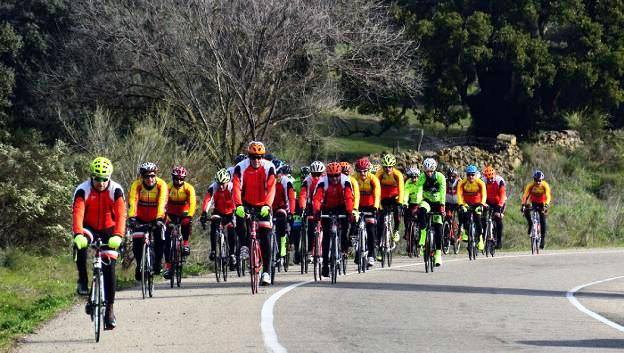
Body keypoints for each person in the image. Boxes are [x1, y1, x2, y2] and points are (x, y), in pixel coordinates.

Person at [72, 157, 126, 330]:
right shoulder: (83, 190)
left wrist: (118, 235)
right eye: (97, 178)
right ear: (91, 176)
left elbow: (121, 215)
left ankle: (109, 310)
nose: (101, 183)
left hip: (110, 229)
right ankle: (83, 279)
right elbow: (78, 213)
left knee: (109, 267)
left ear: (109, 177)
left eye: (105, 179)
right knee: (79, 245)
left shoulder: (116, 190)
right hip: (89, 228)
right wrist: (78, 234)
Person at [232, 141, 276, 285]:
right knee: (239, 217)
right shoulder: (240, 167)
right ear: (248, 156)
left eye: (259, 157)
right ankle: (244, 245)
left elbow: (271, 188)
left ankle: (267, 272)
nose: (256, 160)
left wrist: (268, 206)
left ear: (262, 157)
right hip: (246, 203)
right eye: (253, 157)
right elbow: (236, 187)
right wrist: (238, 205)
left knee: (266, 236)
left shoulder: (269, 167)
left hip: (263, 205)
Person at [312, 162, 356, 278]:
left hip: (342, 207)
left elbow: (348, 197)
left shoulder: (345, 181)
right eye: (331, 176)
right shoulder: (323, 181)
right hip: (327, 208)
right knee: (326, 236)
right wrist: (316, 211)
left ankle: (344, 250)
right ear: (328, 175)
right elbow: (317, 198)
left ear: (340, 174)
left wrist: (350, 212)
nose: (334, 178)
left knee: (345, 227)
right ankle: (325, 265)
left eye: (337, 175)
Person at [127, 162, 168, 281]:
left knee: (160, 239)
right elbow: (133, 201)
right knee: (136, 241)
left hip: (157, 217)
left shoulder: (162, 185)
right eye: (146, 177)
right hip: (139, 217)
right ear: (142, 177)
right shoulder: (137, 185)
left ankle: (157, 263)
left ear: (155, 175)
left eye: (152, 176)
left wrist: (160, 218)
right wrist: (132, 217)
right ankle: (140, 265)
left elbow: (162, 202)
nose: (150, 179)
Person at [163, 166, 196, 279]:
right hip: (171, 214)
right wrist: (165, 218)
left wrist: (190, 216)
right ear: (173, 178)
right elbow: (163, 203)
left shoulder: (189, 188)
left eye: (181, 179)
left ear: (184, 179)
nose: (178, 181)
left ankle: (185, 244)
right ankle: (168, 266)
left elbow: (192, 204)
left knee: (186, 223)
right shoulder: (167, 188)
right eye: (176, 179)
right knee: (167, 239)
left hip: (184, 213)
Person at [200, 168, 237, 270]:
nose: (221, 186)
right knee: (214, 224)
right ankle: (213, 250)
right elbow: (207, 200)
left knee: (231, 228)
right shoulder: (213, 187)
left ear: (227, 182)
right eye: (219, 183)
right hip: (218, 211)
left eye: (223, 184)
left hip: (230, 211)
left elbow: (236, 199)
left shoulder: (231, 187)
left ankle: (232, 254)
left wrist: (235, 212)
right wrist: (204, 213)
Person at [413, 158, 446, 266]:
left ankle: (438, 254)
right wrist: (417, 204)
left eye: (431, 171)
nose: (429, 173)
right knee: (421, 211)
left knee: (439, 227)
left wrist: (442, 206)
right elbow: (418, 190)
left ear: (434, 169)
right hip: (427, 201)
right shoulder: (422, 177)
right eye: (427, 171)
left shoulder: (440, 177)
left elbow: (443, 191)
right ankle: (423, 234)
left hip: (437, 203)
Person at [375, 154, 405, 254]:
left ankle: (396, 230)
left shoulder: (398, 174)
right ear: (383, 167)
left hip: (394, 197)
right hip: (383, 198)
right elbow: (375, 189)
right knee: (380, 221)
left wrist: (400, 202)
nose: (388, 169)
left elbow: (401, 190)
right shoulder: (379, 174)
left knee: (398, 211)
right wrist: (377, 205)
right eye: (385, 167)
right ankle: (379, 246)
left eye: (390, 166)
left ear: (393, 166)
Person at [354, 158, 381, 267]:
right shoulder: (354, 178)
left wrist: (375, 207)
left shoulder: (373, 179)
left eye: (365, 171)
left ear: (368, 170)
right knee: (354, 227)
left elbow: (377, 194)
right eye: (360, 171)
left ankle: (371, 255)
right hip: (358, 206)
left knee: (370, 229)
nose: (362, 173)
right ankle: (356, 252)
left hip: (371, 207)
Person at [298, 161, 325, 263]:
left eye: (319, 174)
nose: (316, 176)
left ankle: (323, 251)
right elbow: (303, 195)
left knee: (325, 227)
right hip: (310, 206)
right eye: (314, 174)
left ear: (323, 173)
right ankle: (309, 251)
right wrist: (302, 207)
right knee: (310, 228)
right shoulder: (307, 180)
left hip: (323, 205)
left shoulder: (326, 179)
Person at [457, 165, 487, 250]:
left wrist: (482, 204)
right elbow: (459, 194)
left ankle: (480, 239)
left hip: (478, 203)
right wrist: (461, 204)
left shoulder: (480, 183)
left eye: (472, 175)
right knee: (464, 215)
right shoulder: (462, 183)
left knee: (477, 218)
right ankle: (466, 232)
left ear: (476, 174)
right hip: (466, 203)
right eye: (468, 175)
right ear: (466, 175)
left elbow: (484, 194)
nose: (470, 177)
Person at [521, 170, 551, 249]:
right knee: (526, 210)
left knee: (542, 220)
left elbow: (548, 196)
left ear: (542, 180)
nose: (537, 182)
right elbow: (525, 195)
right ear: (533, 179)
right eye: (536, 180)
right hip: (533, 202)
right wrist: (523, 204)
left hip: (542, 203)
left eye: (539, 180)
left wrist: (546, 205)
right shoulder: (530, 185)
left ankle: (542, 240)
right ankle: (530, 224)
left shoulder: (545, 185)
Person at [273, 164, 296, 265]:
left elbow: (291, 198)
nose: (277, 176)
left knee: (281, 227)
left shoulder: (286, 182)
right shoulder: (266, 180)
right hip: (269, 207)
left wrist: (291, 211)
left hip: (282, 207)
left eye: (278, 174)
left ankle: (282, 251)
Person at [481, 166, 506, 249]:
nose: (490, 180)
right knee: (482, 218)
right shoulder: (483, 180)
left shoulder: (500, 181)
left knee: (498, 218)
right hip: (487, 201)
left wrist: (499, 206)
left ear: (494, 175)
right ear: (485, 177)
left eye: (491, 178)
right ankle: (484, 237)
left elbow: (502, 195)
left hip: (499, 201)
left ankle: (499, 241)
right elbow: (480, 193)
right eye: (488, 179)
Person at [402, 165, 420, 254]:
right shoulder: (408, 182)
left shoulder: (421, 182)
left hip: (420, 203)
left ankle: (421, 241)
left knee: (422, 219)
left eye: (416, 177)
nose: (414, 179)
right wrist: (405, 203)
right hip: (411, 203)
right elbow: (405, 193)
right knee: (406, 215)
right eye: (412, 177)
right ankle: (407, 231)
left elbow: (422, 193)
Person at [445, 167, 462, 238]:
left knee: (461, 216)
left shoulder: (459, 182)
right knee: (447, 217)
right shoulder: (445, 181)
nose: (451, 178)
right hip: (448, 202)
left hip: (458, 202)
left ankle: (461, 229)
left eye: (453, 176)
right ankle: (448, 232)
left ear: (456, 176)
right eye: (449, 176)